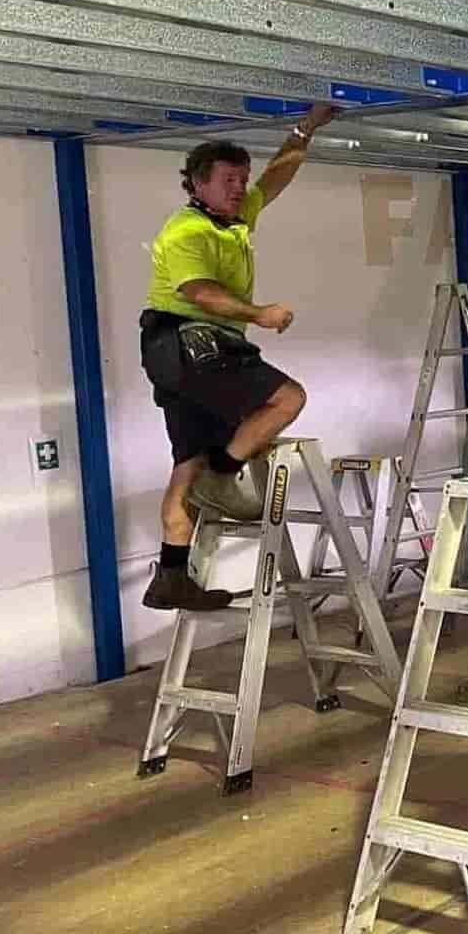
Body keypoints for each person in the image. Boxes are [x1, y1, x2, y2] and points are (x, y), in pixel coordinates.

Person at [136, 103, 337, 611]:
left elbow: (276, 178)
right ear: (197, 184)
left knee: (188, 461)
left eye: (240, 179)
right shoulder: (187, 231)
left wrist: (303, 129)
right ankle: (224, 477)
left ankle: (172, 574)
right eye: (228, 179)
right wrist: (259, 312)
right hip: (190, 340)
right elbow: (200, 292)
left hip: (178, 352)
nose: (238, 187)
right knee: (288, 398)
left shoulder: (232, 216)